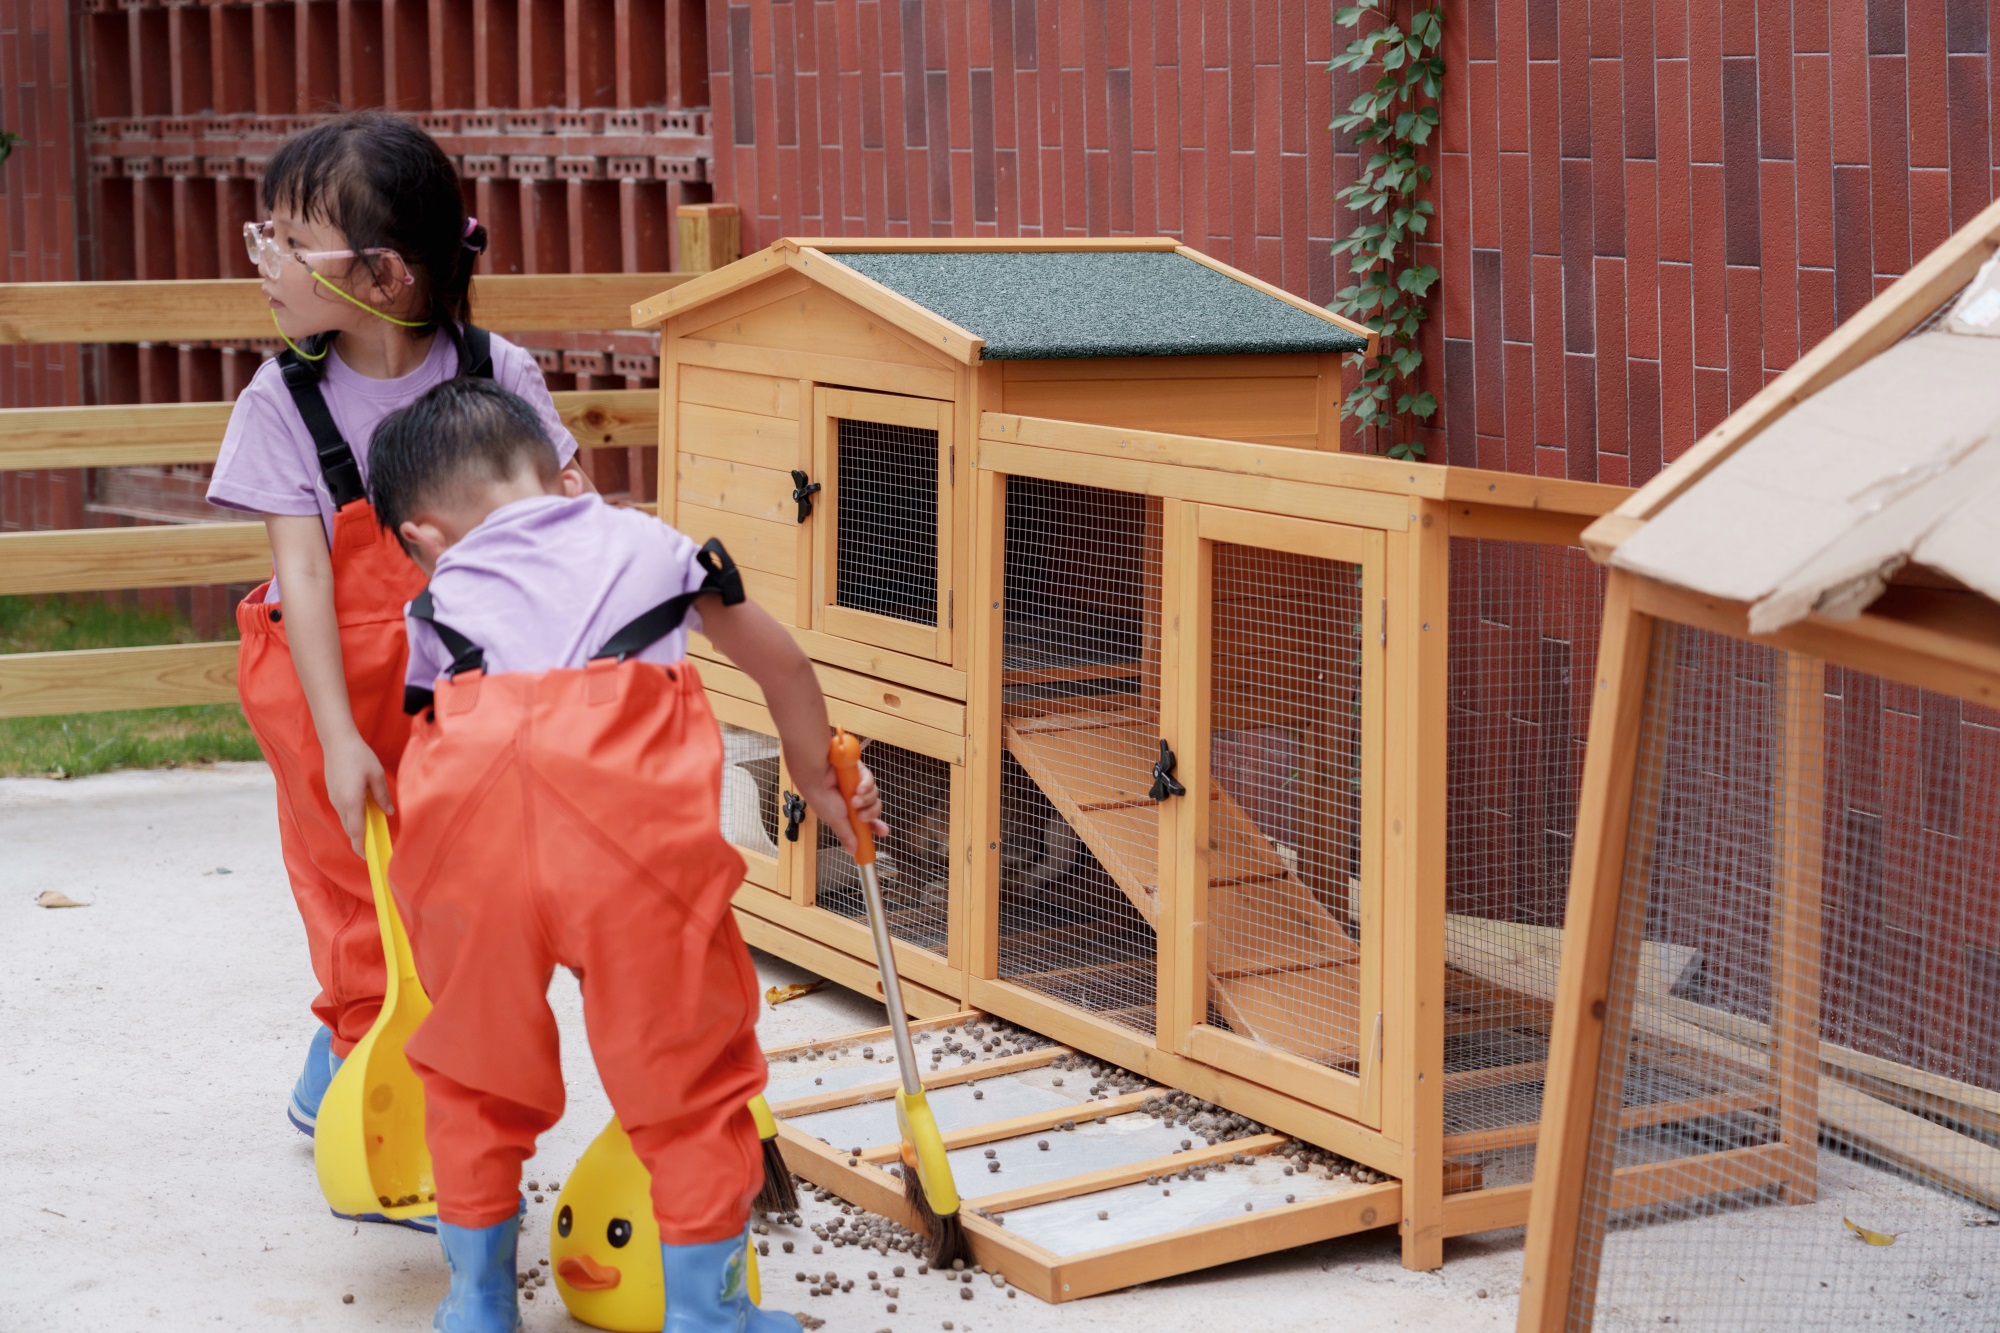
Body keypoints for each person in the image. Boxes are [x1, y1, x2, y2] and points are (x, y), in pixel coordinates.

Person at [367, 378, 883, 1333]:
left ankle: (477, 1302)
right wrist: (818, 780)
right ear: (569, 476)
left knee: (474, 1062)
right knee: (687, 1070)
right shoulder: (651, 543)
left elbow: (427, 732)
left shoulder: (436, 602)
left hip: (466, 848)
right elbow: (782, 666)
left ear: (422, 538)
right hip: (631, 846)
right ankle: (706, 1314)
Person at [205, 111, 585, 1173]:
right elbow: (312, 575)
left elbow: (553, 523)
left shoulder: (493, 369)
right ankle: (354, 1056)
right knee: (351, 880)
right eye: (262, 236)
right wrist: (336, 739)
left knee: (469, 884)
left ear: (383, 275)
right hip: (323, 675)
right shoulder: (282, 401)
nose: (264, 261)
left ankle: (423, 1054)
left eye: (287, 240)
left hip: (463, 678)